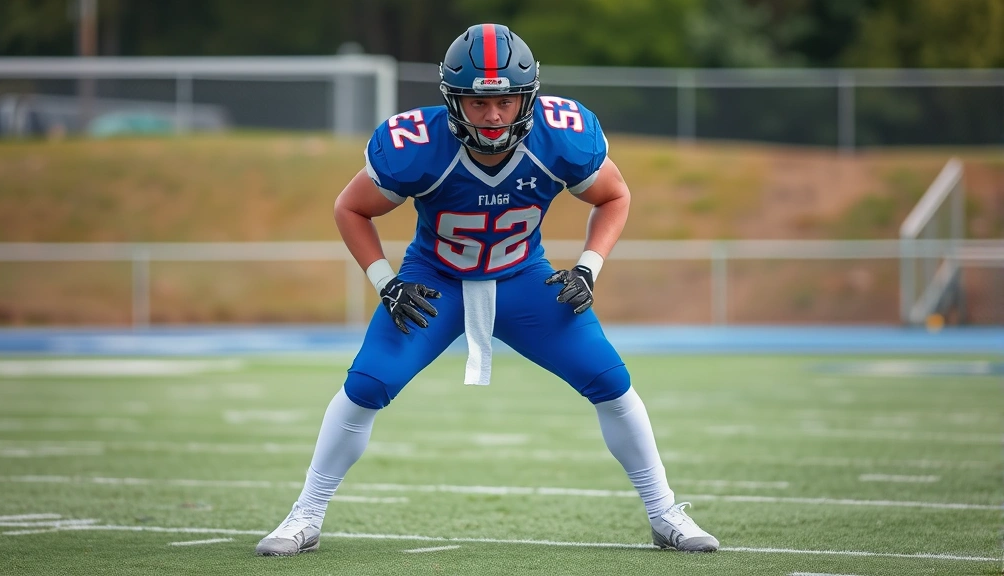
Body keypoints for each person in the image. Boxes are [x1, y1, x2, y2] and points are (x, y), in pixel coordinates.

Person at [255, 23, 719, 556]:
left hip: (525, 278)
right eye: (478, 101)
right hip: (435, 281)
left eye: (506, 100)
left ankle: (664, 514)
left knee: (610, 381)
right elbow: (351, 207)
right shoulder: (419, 146)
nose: (494, 115)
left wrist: (588, 267)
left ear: (529, 96)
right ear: (453, 99)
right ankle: (306, 515)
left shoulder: (559, 136)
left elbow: (614, 196)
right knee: (368, 385)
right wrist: (386, 283)